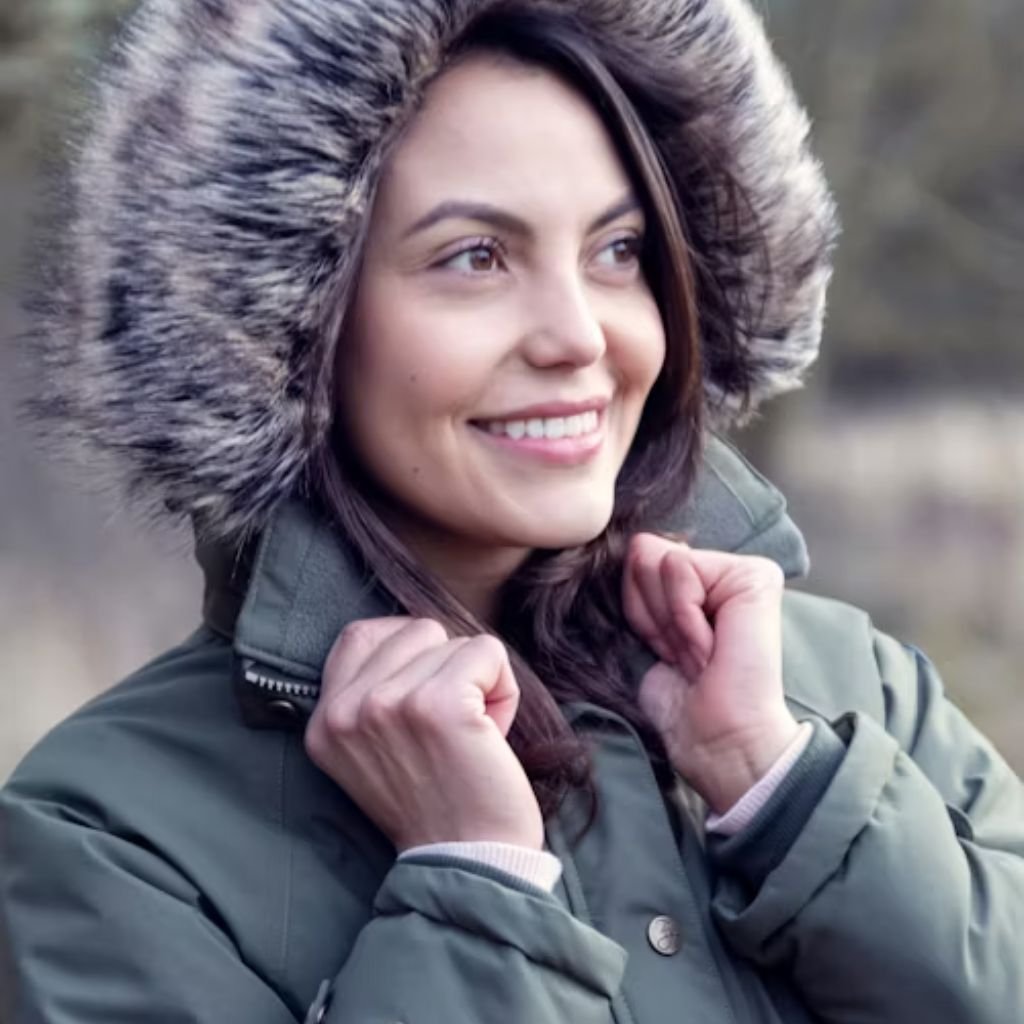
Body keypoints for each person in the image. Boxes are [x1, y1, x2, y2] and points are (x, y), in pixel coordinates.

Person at [2, 1, 1022, 1021]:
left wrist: (787, 799)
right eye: (474, 257)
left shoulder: (850, 693)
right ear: (282, 331)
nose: (577, 336)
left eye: (618, 250)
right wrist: (473, 887)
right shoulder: (110, 838)